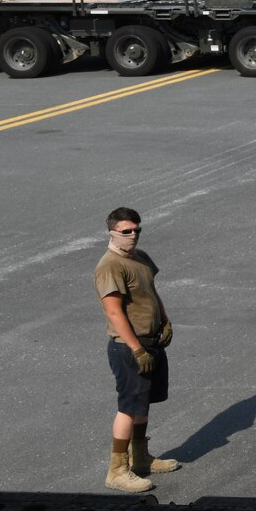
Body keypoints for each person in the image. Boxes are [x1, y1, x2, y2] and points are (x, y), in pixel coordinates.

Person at [94, 207, 179, 493]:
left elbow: (152, 292)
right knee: (129, 407)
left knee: (143, 405)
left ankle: (140, 458)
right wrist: (136, 349)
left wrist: (164, 319)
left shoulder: (139, 258)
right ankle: (117, 470)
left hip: (150, 342)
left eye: (137, 230)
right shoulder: (110, 266)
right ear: (112, 233)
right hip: (129, 347)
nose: (133, 236)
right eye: (126, 231)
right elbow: (114, 313)